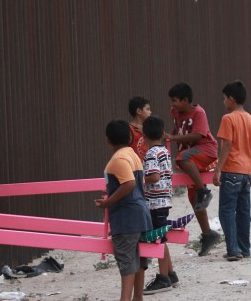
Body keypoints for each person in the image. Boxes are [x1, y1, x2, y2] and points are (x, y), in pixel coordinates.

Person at [94, 120, 153, 301]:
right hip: (141, 214)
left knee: (127, 262)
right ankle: (138, 297)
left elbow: (129, 183)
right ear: (129, 138)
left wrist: (108, 202)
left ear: (108, 141)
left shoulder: (118, 159)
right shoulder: (131, 154)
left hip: (126, 218)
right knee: (140, 260)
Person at [166, 82, 220, 257]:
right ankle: (208, 234)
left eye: (175, 100)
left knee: (183, 158)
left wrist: (174, 138)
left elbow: (198, 135)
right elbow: (179, 129)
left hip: (205, 150)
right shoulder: (175, 112)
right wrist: (171, 135)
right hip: (190, 154)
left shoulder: (198, 113)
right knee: (192, 195)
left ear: (186, 100)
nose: (172, 104)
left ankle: (204, 190)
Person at [213, 80, 251, 261]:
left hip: (231, 169)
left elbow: (227, 145)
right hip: (245, 172)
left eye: (224, 99)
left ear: (231, 99)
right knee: (243, 211)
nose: (223, 102)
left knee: (226, 211)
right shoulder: (250, 119)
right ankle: (244, 248)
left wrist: (218, 170)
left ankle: (233, 249)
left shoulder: (228, 118)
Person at [140, 116, 178, 294]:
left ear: (144, 135)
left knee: (157, 240)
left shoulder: (151, 154)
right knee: (161, 236)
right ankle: (170, 274)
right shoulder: (164, 150)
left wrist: (139, 179)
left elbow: (154, 177)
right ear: (162, 134)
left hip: (155, 203)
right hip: (163, 201)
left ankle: (163, 279)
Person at [128, 96, 152, 161]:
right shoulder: (129, 130)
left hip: (149, 168)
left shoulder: (149, 129)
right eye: (147, 109)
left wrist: (146, 132)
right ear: (139, 111)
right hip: (135, 168)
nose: (150, 112)